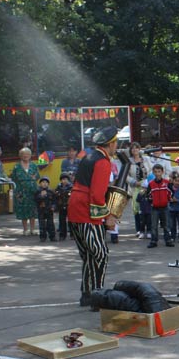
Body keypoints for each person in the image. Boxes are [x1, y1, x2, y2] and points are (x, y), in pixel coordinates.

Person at [68, 126, 119, 308]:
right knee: (100, 255)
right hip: (86, 211)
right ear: (110, 144)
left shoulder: (89, 156)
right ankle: (97, 297)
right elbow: (97, 195)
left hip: (75, 209)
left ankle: (87, 294)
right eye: (116, 143)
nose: (116, 146)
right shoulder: (103, 162)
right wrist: (108, 216)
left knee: (89, 255)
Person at [10, 147, 40, 235]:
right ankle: (25, 229)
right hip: (21, 191)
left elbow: (38, 176)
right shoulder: (17, 166)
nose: (25, 156)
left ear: (30, 155)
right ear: (21, 156)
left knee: (33, 209)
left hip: (32, 190)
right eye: (23, 154)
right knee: (23, 210)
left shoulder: (34, 165)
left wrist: (34, 178)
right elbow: (14, 177)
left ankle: (33, 229)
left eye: (27, 154)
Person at [126, 142, 152, 238]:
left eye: (136, 148)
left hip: (147, 186)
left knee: (148, 208)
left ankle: (149, 230)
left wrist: (148, 181)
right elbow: (126, 175)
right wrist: (134, 182)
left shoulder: (146, 159)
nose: (135, 150)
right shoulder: (128, 161)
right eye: (133, 148)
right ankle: (139, 230)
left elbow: (151, 171)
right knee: (137, 209)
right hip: (135, 187)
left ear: (139, 149)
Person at [147, 163, 174, 249]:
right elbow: (148, 194)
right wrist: (151, 201)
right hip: (154, 208)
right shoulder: (151, 184)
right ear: (153, 172)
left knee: (166, 225)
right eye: (155, 172)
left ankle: (168, 240)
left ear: (162, 172)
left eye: (159, 171)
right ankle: (153, 241)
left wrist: (169, 198)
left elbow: (171, 191)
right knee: (154, 225)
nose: (157, 173)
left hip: (165, 207)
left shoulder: (166, 183)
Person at [34, 176, 57, 242]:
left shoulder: (51, 191)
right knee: (42, 224)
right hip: (41, 210)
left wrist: (53, 206)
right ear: (40, 184)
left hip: (49, 210)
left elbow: (54, 200)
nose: (44, 184)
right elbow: (36, 200)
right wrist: (41, 196)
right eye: (43, 182)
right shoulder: (38, 191)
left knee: (50, 224)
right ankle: (43, 237)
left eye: (46, 182)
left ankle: (52, 236)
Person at [168, 172, 179, 244]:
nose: (177, 183)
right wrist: (170, 200)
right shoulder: (169, 189)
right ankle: (173, 236)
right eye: (176, 181)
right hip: (171, 210)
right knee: (172, 224)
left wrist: (177, 200)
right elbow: (167, 198)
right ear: (173, 180)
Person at [55, 173, 72, 241]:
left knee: (71, 221)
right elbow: (56, 195)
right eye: (62, 179)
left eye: (65, 179)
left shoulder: (71, 186)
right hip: (61, 206)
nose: (64, 181)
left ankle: (72, 234)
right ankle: (62, 235)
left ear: (68, 180)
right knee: (62, 221)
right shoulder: (58, 187)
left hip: (69, 206)